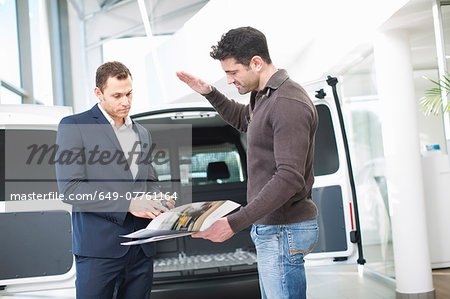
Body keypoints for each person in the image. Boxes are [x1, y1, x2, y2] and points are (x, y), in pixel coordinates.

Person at [176, 27, 319, 299]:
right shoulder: (264, 96)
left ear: (256, 62)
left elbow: (289, 178)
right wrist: (209, 92)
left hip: (283, 229)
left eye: (232, 72)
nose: (229, 80)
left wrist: (234, 223)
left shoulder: (287, 101)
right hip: (273, 228)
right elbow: (245, 120)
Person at [56, 61, 172, 299]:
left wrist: (159, 198)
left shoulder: (142, 133)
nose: (126, 102)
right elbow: (71, 189)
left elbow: (149, 180)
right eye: (117, 95)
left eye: (129, 93)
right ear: (99, 93)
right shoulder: (75, 126)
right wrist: (128, 203)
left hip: (141, 250)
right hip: (99, 251)